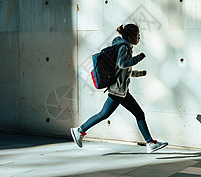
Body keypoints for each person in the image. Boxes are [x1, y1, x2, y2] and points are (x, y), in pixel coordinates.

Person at [71, 24, 168, 153]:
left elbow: (124, 71)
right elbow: (122, 65)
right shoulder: (124, 47)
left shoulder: (124, 47)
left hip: (122, 91)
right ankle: (79, 130)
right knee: (103, 115)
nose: (139, 38)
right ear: (129, 36)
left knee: (139, 114)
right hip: (117, 91)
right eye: (137, 36)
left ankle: (150, 143)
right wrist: (138, 58)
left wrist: (139, 73)